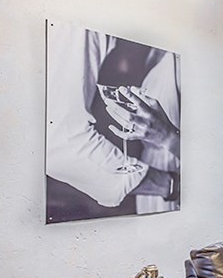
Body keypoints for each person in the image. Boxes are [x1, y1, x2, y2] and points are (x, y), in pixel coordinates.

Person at [45, 23, 180, 220]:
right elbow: (60, 141)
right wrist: (168, 185)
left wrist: (169, 141)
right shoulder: (83, 24)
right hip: (163, 186)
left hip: (175, 180)